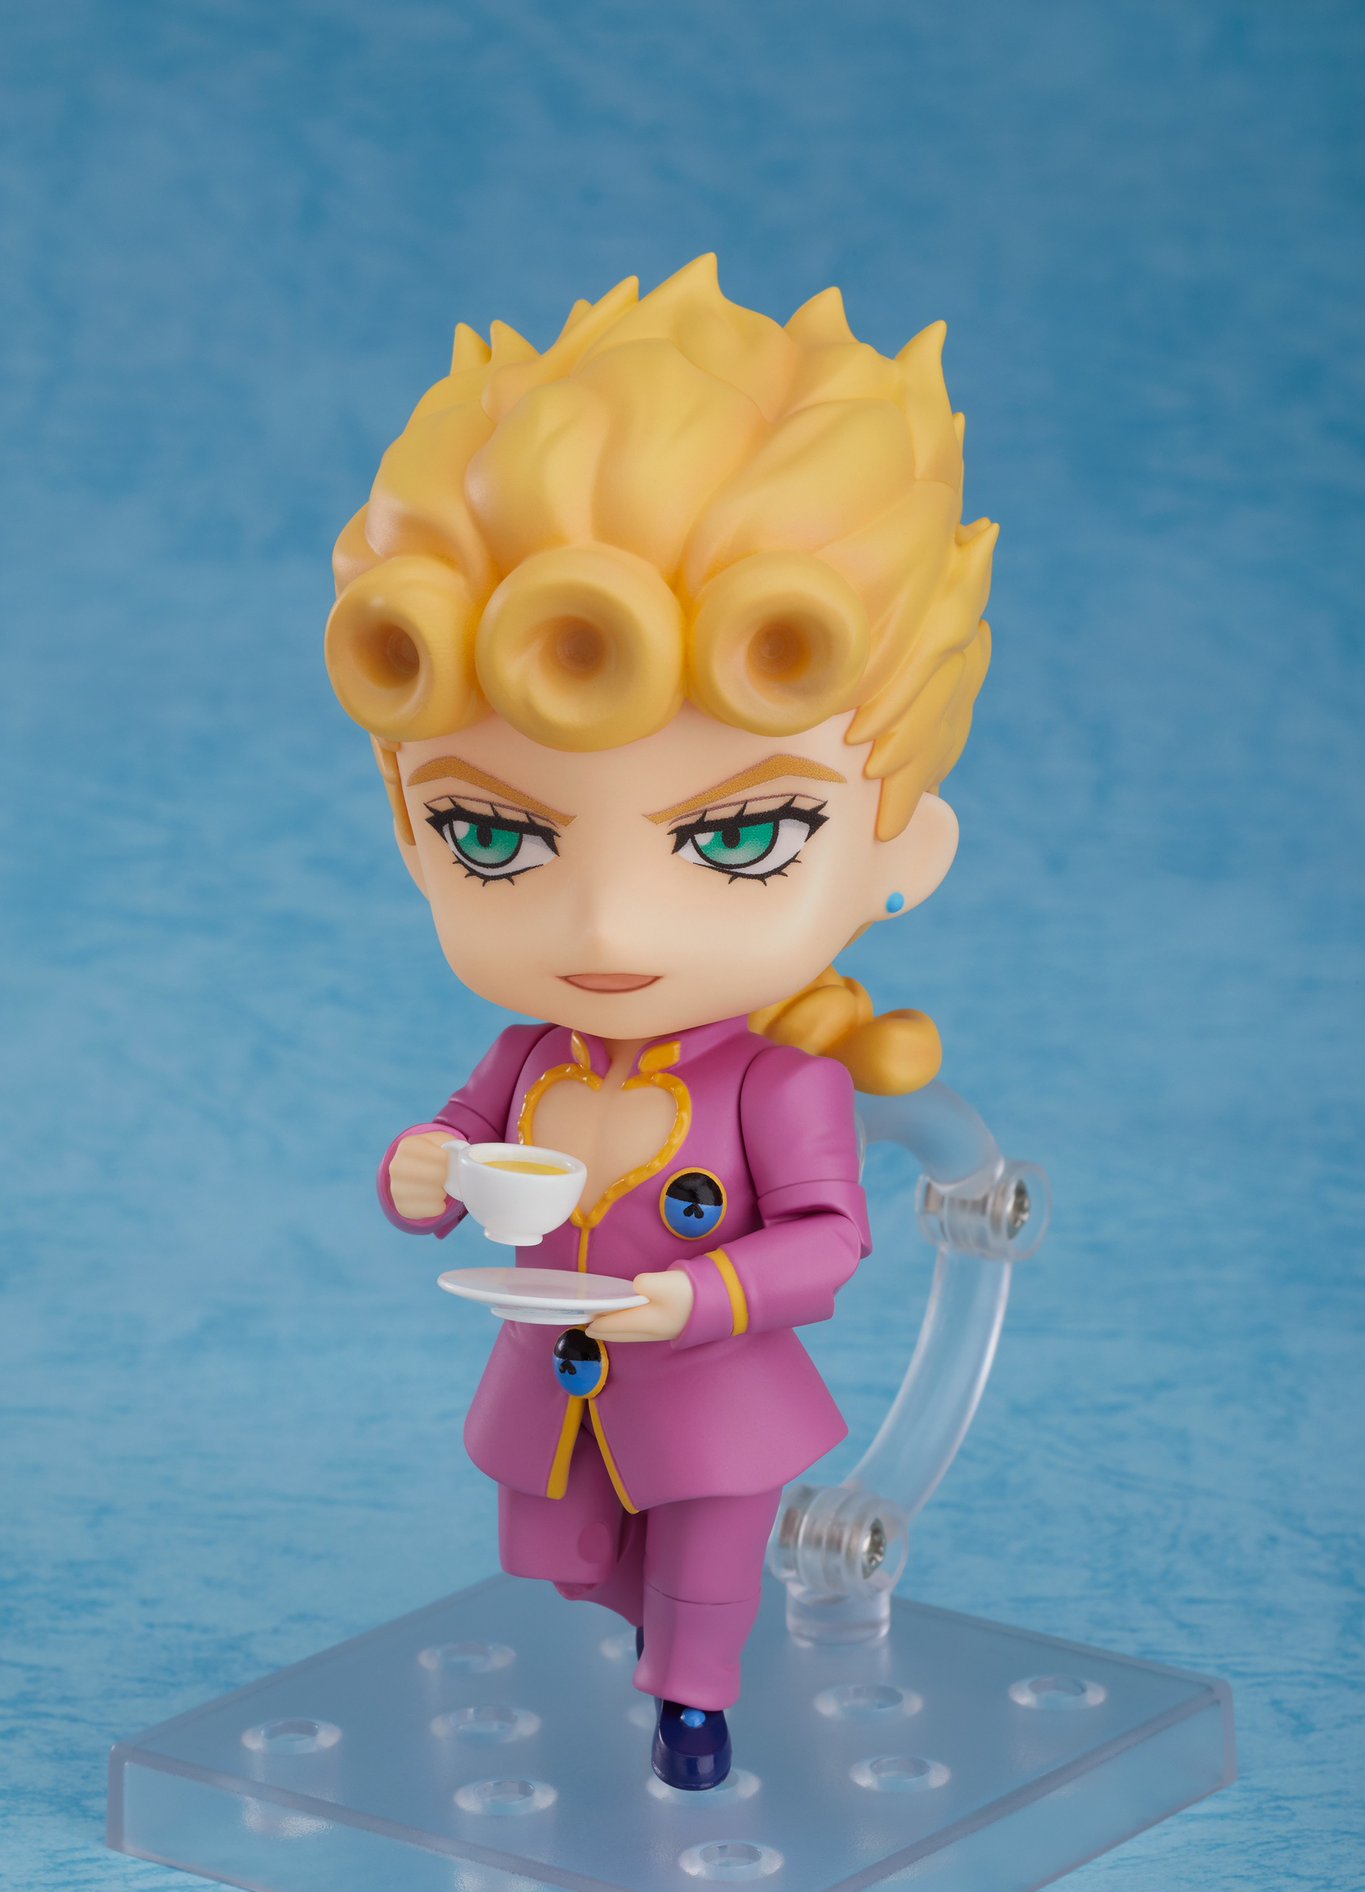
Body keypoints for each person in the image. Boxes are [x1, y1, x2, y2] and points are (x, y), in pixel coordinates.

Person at [323, 254, 996, 1788]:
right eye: (495, 837)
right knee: (561, 1553)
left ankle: (695, 1702)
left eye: (737, 837)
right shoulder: (530, 1054)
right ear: (413, 836)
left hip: (712, 1392)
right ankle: (643, 1638)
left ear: (900, 852)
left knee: (701, 1572)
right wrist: (424, 1170)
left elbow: (827, 1240)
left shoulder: (777, 1081)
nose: (607, 930)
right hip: (559, 1389)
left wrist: (685, 1304)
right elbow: (458, 1147)